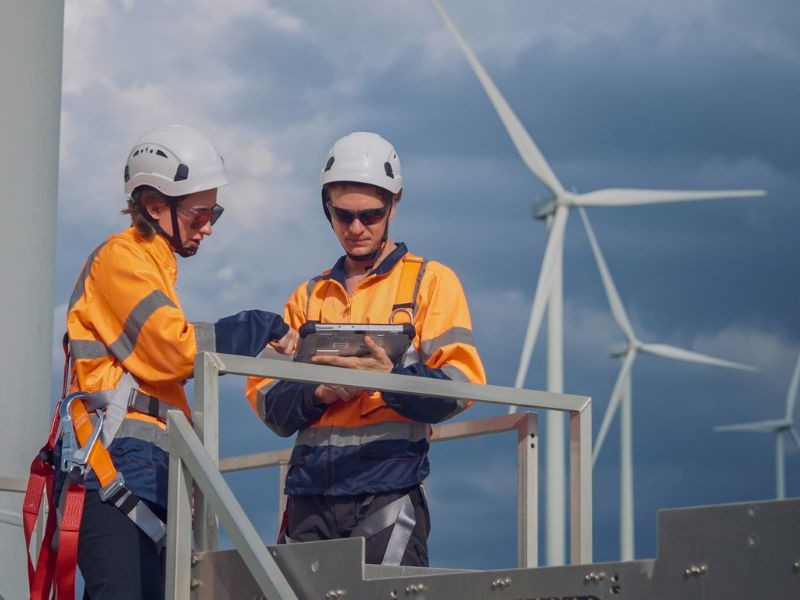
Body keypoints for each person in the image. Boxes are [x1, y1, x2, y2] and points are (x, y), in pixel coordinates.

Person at [52, 124, 295, 599]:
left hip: (147, 472)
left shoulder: (153, 266)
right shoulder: (120, 260)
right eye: (201, 213)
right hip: (113, 471)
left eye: (214, 212)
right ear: (155, 206)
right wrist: (256, 325)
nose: (208, 226)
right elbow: (174, 350)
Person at [245, 131, 486, 567]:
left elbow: (462, 384)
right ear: (328, 210)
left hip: (387, 487)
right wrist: (317, 391)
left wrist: (388, 381)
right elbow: (264, 398)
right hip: (309, 494)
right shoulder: (309, 296)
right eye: (343, 215)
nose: (356, 228)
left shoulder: (430, 282)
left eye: (370, 215)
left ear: (394, 205)